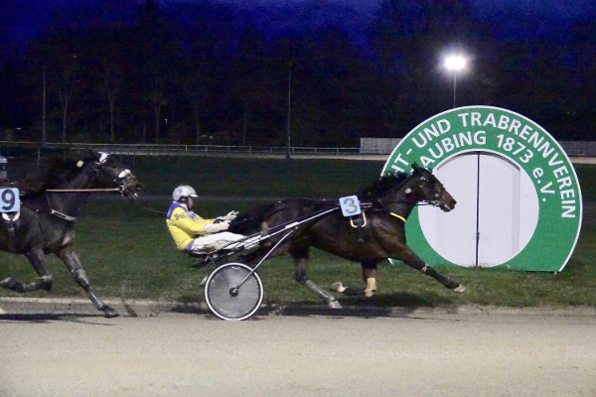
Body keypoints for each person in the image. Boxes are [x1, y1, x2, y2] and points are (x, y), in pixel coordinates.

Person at [166, 185, 247, 255]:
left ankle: (251, 242)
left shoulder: (184, 210)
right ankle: (253, 242)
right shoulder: (177, 211)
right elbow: (193, 228)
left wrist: (221, 219)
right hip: (190, 243)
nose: (193, 201)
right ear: (184, 199)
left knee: (225, 237)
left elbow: (201, 222)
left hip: (196, 239)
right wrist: (219, 227)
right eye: (191, 198)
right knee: (224, 236)